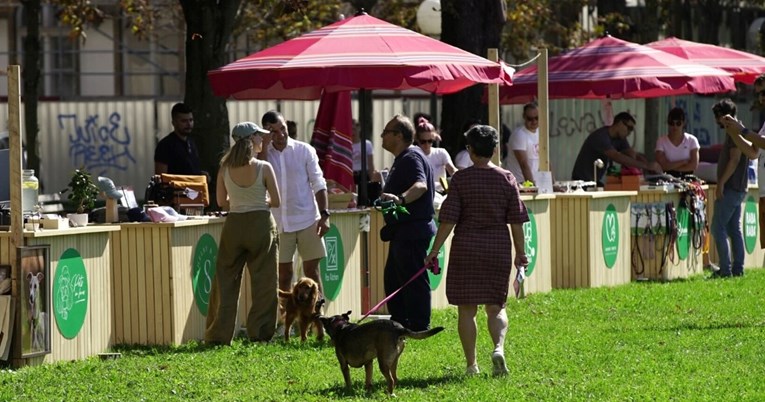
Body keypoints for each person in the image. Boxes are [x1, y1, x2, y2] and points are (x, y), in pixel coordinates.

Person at [425, 124, 528, 376]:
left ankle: (472, 365)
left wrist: (434, 251)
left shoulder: (460, 179)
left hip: (466, 249)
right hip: (497, 249)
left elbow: (448, 219)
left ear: (470, 151)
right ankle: (498, 348)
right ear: (495, 149)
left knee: (467, 310)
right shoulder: (507, 178)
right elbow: (516, 220)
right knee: (496, 307)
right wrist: (520, 254)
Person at [205, 121, 280, 344]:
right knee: (264, 281)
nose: (262, 140)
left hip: (234, 226)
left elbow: (221, 202)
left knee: (226, 281)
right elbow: (275, 201)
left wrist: (239, 201)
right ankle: (260, 332)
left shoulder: (224, 168)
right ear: (251, 139)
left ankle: (219, 335)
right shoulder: (264, 167)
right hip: (260, 224)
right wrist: (260, 199)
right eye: (260, 136)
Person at [259, 110, 330, 306]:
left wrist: (324, 215)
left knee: (312, 273)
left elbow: (319, 183)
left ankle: (319, 319)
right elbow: (260, 180)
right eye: (273, 131)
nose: (281, 134)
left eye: (283, 128)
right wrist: (264, 145)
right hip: (279, 223)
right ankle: (285, 321)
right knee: (283, 276)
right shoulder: (262, 154)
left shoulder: (304, 150)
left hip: (308, 219)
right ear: (266, 133)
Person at [378, 114, 436, 331]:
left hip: (412, 230)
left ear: (399, 135)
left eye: (386, 132)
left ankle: (419, 325)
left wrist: (400, 198)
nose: (382, 136)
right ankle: (401, 323)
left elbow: (420, 186)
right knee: (394, 279)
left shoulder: (411, 157)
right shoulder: (405, 158)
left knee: (411, 280)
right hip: (404, 231)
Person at [722, 74, 765, 249]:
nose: (762, 98)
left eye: (764, 92)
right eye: (759, 94)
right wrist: (734, 133)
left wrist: (743, 130)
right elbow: (754, 152)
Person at [710, 99, 751, 278]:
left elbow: (734, 160)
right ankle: (737, 269)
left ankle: (725, 270)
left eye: (717, 117)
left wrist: (721, 183)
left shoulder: (734, 131)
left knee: (718, 227)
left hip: (732, 187)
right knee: (734, 228)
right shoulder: (737, 129)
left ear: (723, 116)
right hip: (739, 187)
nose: (716, 122)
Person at [571, 111, 662, 185]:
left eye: (632, 130)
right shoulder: (601, 137)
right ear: (619, 123)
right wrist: (646, 166)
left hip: (594, 181)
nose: (630, 132)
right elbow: (617, 157)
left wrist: (649, 165)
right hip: (581, 182)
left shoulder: (620, 138)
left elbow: (631, 154)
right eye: (629, 128)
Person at [154, 103, 204, 176]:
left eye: (191, 120)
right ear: (174, 122)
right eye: (184, 121)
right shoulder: (165, 145)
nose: (189, 124)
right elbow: (161, 178)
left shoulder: (191, 143)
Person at [655, 107, 700, 177]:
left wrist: (670, 167)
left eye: (678, 123)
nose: (675, 126)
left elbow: (693, 165)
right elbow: (662, 165)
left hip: (687, 178)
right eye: (671, 123)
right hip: (667, 178)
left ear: (683, 123)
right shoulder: (661, 141)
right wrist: (683, 162)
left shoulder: (692, 140)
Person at [416, 117, 456, 193]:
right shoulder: (414, 155)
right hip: (422, 194)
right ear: (417, 140)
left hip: (441, 192)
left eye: (430, 141)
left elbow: (452, 171)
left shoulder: (441, 153)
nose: (427, 144)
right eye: (423, 141)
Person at [503, 102, 540, 183]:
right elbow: (523, 164)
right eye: (530, 119)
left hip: (531, 182)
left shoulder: (540, 132)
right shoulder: (519, 135)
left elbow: (546, 160)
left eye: (537, 118)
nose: (534, 121)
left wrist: (552, 183)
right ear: (524, 117)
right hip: (518, 183)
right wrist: (531, 187)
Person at [352, 119, 377, 185]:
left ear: (359, 128)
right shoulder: (346, 145)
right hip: (351, 174)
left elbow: (370, 164)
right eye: (351, 129)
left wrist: (372, 180)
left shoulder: (367, 144)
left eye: (354, 129)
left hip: (363, 174)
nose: (353, 132)